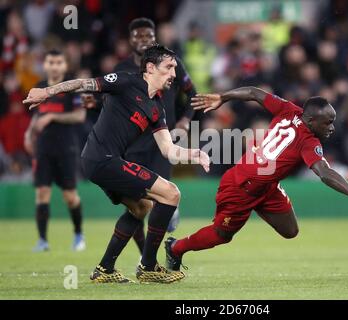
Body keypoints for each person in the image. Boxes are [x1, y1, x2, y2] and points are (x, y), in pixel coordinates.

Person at [23, 45, 210, 284]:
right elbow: (83, 83)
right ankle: (148, 266)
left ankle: (105, 269)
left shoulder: (156, 108)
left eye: (175, 68)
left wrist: (195, 154)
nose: (174, 74)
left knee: (141, 207)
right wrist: (47, 92)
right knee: (171, 193)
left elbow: (168, 149)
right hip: (100, 158)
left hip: (106, 161)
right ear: (150, 67)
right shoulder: (125, 82)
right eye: (169, 67)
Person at [164, 87, 348, 271]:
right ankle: (175, 248)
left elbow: (254, 93)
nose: (331, 127)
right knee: (221, 235)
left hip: (266, 185)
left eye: (332, 121)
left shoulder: (289, 110)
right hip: (240, 186)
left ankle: (260, 200)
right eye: (327, 123)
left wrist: (224, 97)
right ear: (311, 120)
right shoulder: (309, 141)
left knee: (290, 231)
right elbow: (324, 173)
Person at [113, 17, 197, 254]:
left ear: (155, 38)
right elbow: (110, 104)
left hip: (162, 142)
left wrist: (184, 121)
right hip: (131, 144)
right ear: (129, 40)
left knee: (159, 203)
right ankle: (146, 258)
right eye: (138, 36)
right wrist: (93, 104)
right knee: (136, 205)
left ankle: (150, 251)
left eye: (148, 36)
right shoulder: (121, 70)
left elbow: (193, 94)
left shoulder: (172, 63)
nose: (143, 40)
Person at [24, 49, 86, 252]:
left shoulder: (72, 88)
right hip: (44, 148)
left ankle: (78, 235)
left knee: (70, 196)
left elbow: (79, 116)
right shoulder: (39, 88)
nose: (55, 66)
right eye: (51, 62)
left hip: (66, 148)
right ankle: (42, 241)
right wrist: (29, 133)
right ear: (45, 65)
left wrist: (52, 117)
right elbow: (36, 114)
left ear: (65, 66)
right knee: (42, 193)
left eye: (59, 62)